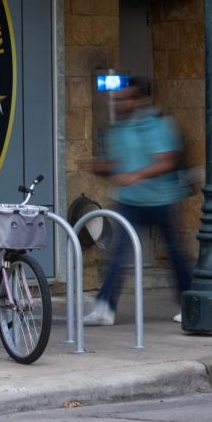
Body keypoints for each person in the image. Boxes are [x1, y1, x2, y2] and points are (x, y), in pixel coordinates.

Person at [84, 77, 192, 325]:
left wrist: (137, 175)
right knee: (119, 253)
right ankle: (105, 308)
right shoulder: (120, 129)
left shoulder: (159, 124)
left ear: (141, 99)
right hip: (130, 201)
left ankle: (190, 303)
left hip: (162, 199)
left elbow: (167, 160)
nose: (122, 103)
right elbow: (119, 164)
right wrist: (101, 165)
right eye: (119, 98)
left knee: (175, 253)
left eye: (127, 98)